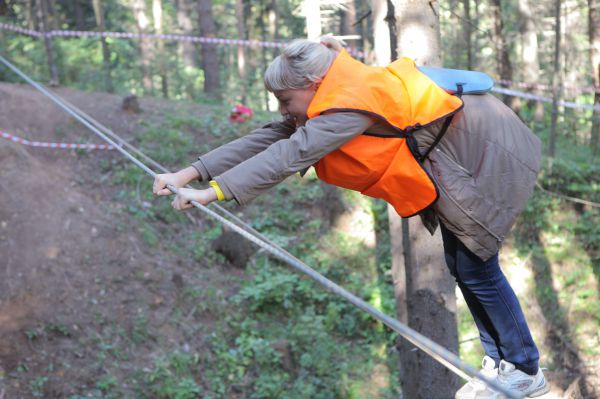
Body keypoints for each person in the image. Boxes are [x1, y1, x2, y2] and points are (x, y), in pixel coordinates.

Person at [153, 37, 549, 399]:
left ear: (312, 83)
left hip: (485, 156)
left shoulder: (349, 105)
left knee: (477, 267)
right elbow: (269, 138)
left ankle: (524, 367)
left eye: (286, 100)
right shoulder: (331, 97)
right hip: (462, 161)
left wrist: (214, 192)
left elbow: (290, 156)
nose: (283, 109)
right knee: (463, 266)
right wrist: (189, 174)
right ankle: (501, 365)